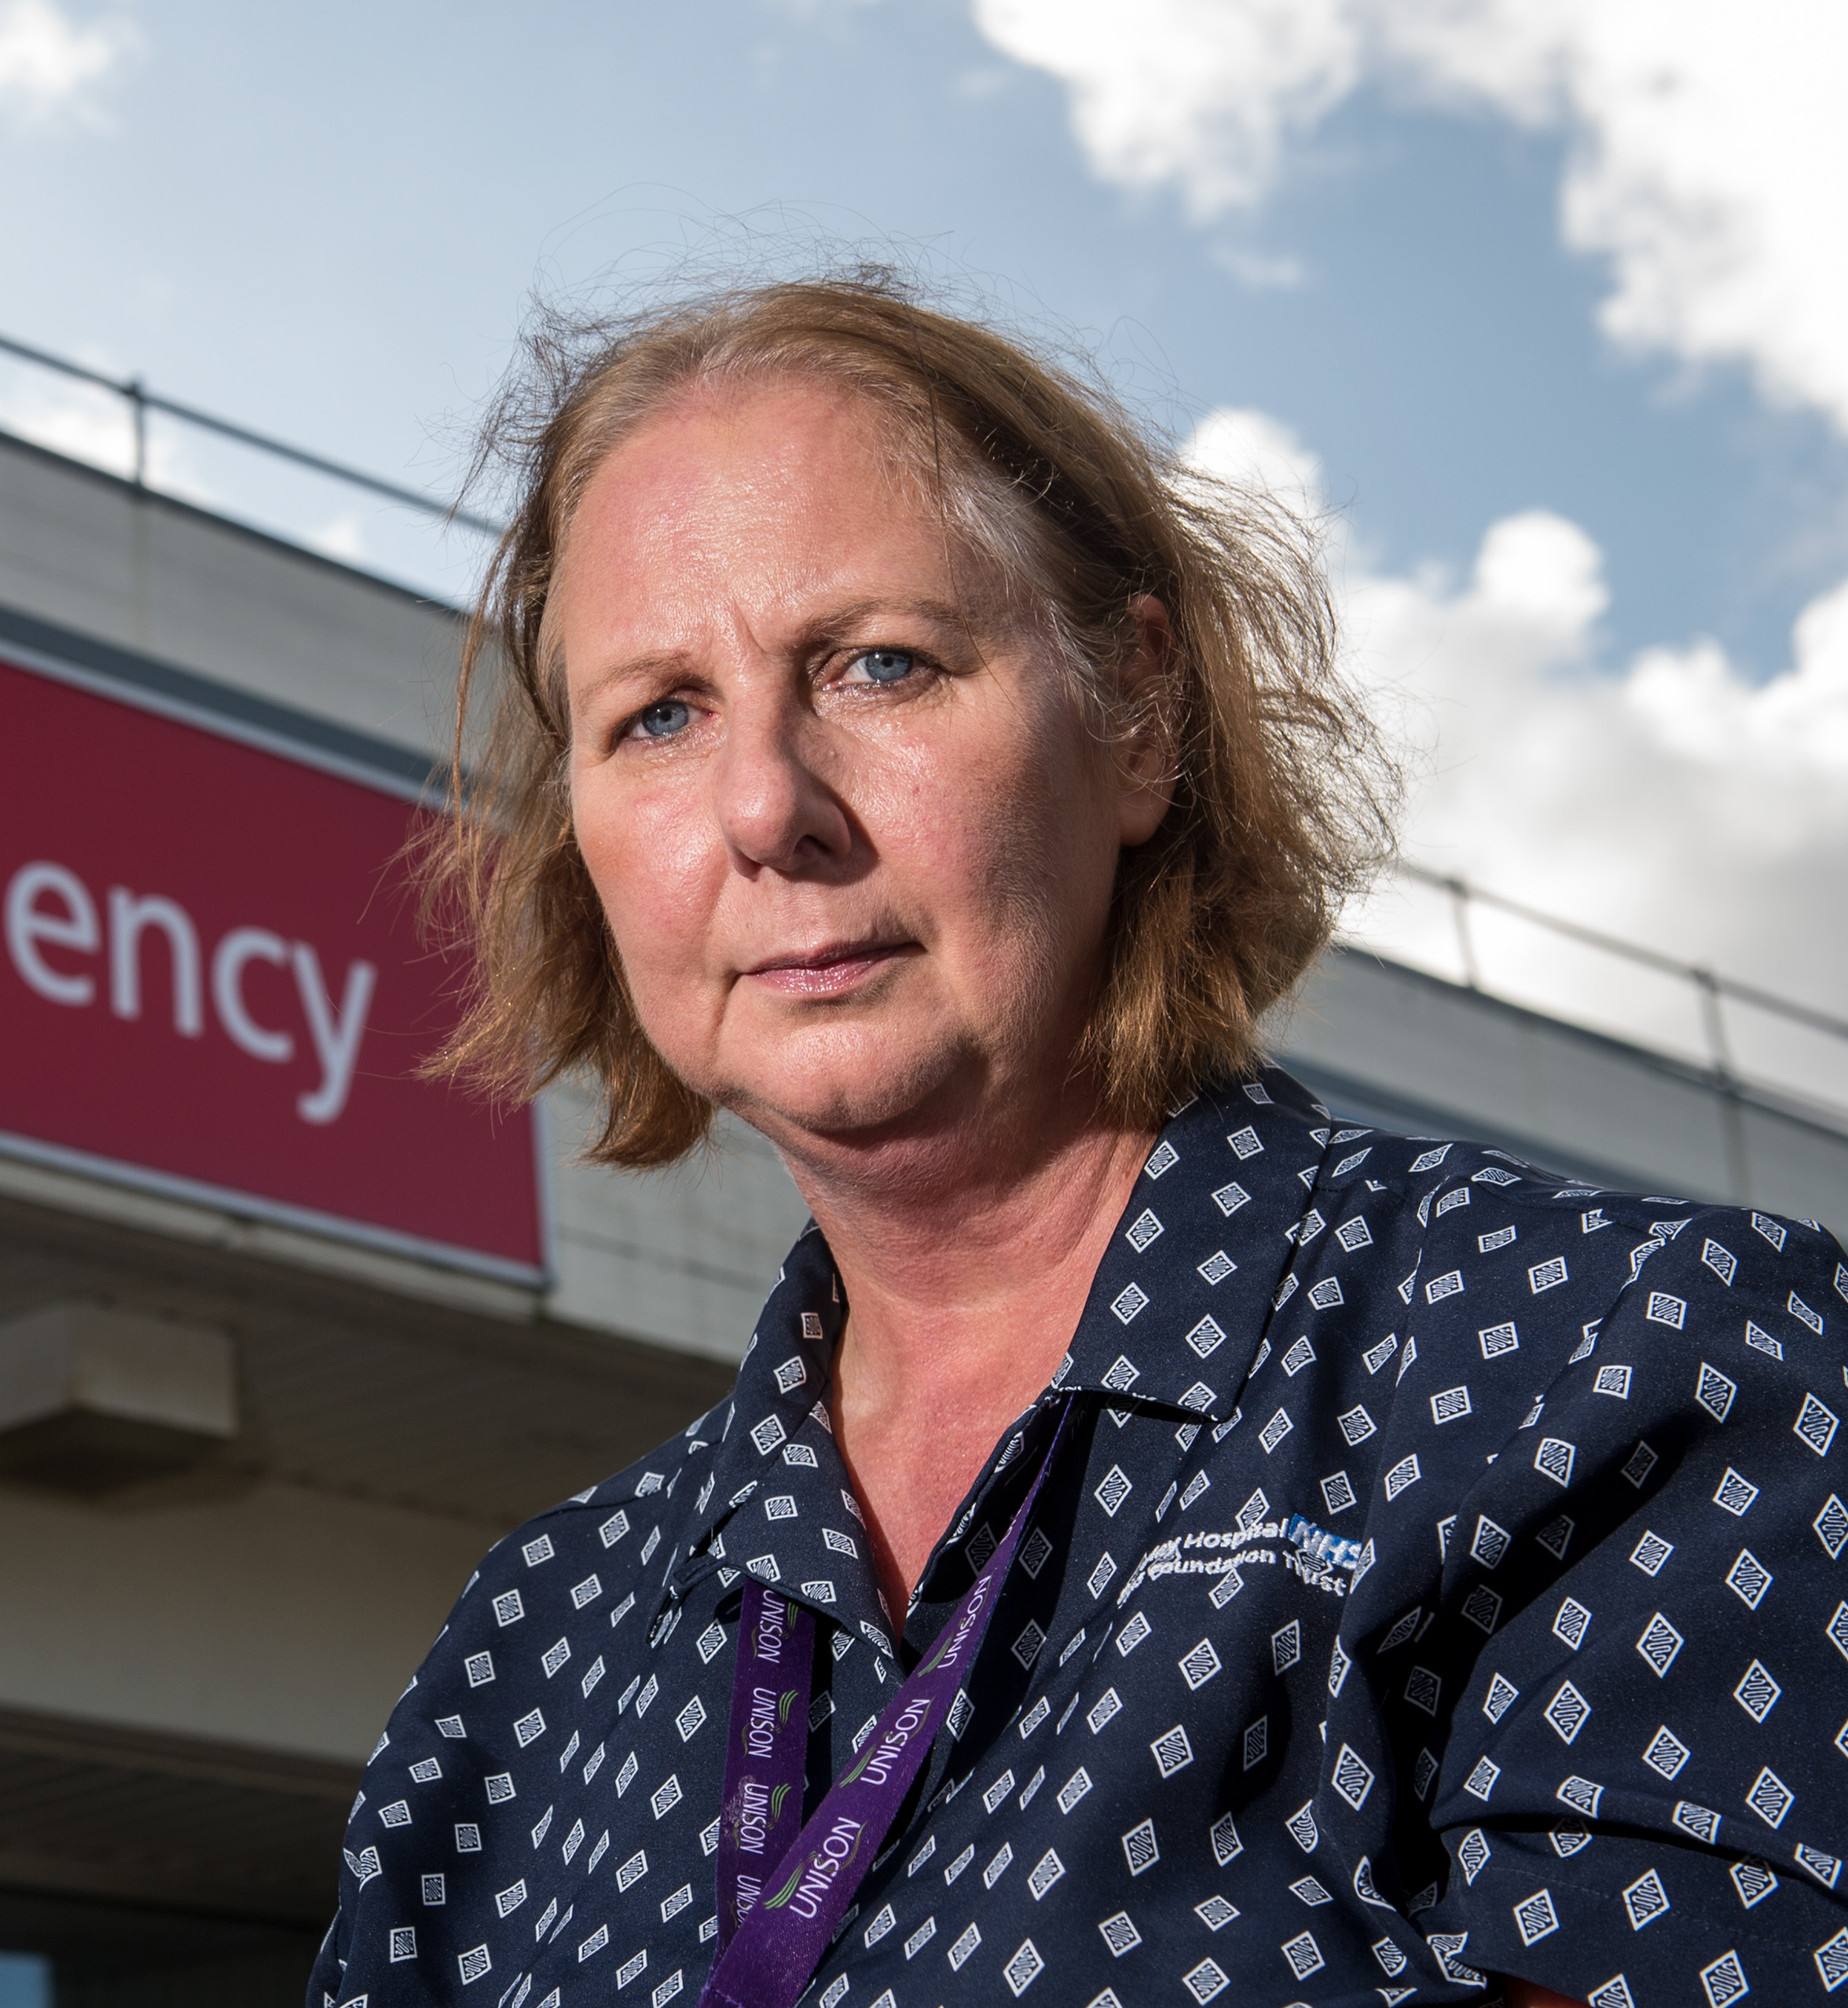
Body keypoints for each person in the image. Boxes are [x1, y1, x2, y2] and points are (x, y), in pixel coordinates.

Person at [309, 276, 1847, 2008]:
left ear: (1138, 720)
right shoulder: (529, 1658)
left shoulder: (1622, 1372)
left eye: (879, 665)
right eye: (658, 713)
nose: (765, 808)